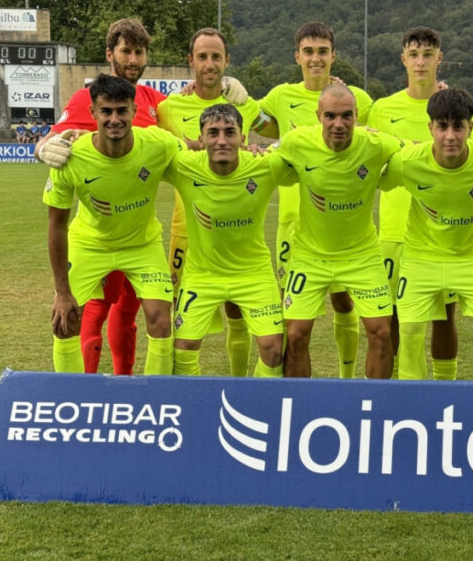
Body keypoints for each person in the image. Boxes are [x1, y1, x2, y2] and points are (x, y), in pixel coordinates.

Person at [37, 18, 165, 375]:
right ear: (110, 54)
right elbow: (50, 141)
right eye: (126, 50)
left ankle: (126, 385)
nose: (133, 59)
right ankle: (85, 390)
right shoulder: (86, 99)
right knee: (93, 308)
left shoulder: (154, 101)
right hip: (97, 235)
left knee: (129, 313)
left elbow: (191, 131)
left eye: (140, 52)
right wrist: (42, 149)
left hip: (139, 233)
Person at [257, 22, 373, 379]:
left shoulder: (359, 100)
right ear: (297, 57)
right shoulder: (280, 96)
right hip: (294, 220)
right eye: (308, 51)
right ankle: (284, 390)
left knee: (343, 300)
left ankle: (346, 376)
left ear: (333, 55)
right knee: (292, 310)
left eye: (323, 51)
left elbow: (373, 137)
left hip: (343, 223)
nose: (316, 58)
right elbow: (254, 121)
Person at [382, 88, 473, 380]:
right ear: (430, 127)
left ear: (470, 127)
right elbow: (369, 177)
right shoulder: (407, 162)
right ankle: (415, 409)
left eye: (458, 126)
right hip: (421, 257)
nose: (450, 136)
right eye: (442, 126)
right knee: (408, 334)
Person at [156, 27, 264, 376]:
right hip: (186, 231)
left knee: (237, 311)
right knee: (183, 320)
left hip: (234, 232)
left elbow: (280, 128)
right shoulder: (170, 107)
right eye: (202, 56)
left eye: (216, 56)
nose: (209, 63)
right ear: (190, 61)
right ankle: (185, 395)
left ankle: (238, 382)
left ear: (227, 61)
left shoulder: (245, 105)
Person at [275, 84, 400, 379]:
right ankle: (298, 407)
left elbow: (418, 154)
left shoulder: (378, 144)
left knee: (381, 332)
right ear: (318, 115)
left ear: (358, 116)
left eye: (347, 116)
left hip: (362, 255)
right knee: (295, 335)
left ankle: (373, 407)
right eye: (330, 116)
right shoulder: (296, 142)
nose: (339, 124)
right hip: (310, 255)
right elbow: (263, 159)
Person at [164, 104, 290, 377]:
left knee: (273, 349)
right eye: (213, 133)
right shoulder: (183, 166)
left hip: (253, 273)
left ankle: (253, 404)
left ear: (243, 139)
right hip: (202, 274)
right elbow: (140, 151)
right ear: (201, 139)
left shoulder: (265, 165)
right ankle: (195, 410)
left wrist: (360, 132)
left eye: (230, 132)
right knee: (183, 347)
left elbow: (307, 146)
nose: (221, 140)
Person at [367, 26, 460, 379]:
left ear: (440, 59)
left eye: (428, 54)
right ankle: (392, 395)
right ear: (403, 59)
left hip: (443, 230)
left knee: (445, 316)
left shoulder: (452, 106)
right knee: (390, 314)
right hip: (394, 229)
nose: (421, 62)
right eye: (414, 55)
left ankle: (443, 390)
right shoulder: (381, 108)